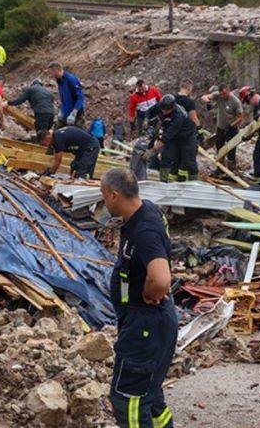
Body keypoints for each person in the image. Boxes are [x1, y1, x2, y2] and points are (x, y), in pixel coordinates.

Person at [100, 168, 178, 428]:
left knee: (128, 399)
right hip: (149, 323)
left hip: (145, 325)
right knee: (150, 395)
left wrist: (149, 291)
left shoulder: (144, 230)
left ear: (114, 195)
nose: (103, 202)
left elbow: (161, 278)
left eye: (103, 196)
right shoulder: (147, 211)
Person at [144, 95, 197, 182]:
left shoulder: (178, 116)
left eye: (167, 110)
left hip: (187, 137)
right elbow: (149, 111)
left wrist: (153, 150)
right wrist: (146, 120)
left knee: (189, 161)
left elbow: (166, 137)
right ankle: (163, 181)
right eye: (163, 110)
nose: (164, 112)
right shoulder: (161, 105)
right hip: (173, 136)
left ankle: (194, 183)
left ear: (173, 107)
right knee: (165, 156)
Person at [199, 83, 244, 172]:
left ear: (228, 91)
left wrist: (231, 126)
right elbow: (204, 97)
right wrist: (208, 102)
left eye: (225, 94)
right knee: (220, 147)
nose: (223, 96)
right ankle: (220, 168)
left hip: (231, 129)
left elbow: (240, 117)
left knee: (231, 149)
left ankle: (231, 169)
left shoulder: (235, 102)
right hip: (220, 128)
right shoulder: (218, 96)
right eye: (221, 94)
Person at [48, 62, 86, 128]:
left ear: (56, 70)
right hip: (65, 113)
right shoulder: (60, 81)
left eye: (51, 72)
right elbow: (64, 98)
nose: (51, 75)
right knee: (58, 133)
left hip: (76, 114)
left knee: (77, 135)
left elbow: (80, 97)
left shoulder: (70, 79)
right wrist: (61, 110)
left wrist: (74, 112)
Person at [175, 79, 206, 144]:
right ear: (189, 89)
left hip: (173, 131)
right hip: (185, 132)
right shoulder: (189, 102)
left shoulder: (172, 98)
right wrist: (201, 132)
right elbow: (194, 118)